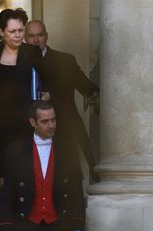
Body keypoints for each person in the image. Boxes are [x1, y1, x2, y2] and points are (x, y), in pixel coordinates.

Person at [0, 8, 45, 231]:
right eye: (13, 31)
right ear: (1, 33)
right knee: (0, 183)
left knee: (23, 180)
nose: (18, 35)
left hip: (24, 127)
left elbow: (48, 78)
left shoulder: (32, 52)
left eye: (21, 30)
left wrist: (47, 95)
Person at [0, 101, 85, 231]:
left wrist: (78, 228)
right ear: (32, 122)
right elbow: (8, 195)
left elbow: (76, 191)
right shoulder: (15, 151)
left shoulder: (68, 149)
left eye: (53, 120)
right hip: (26, 228)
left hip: (60, 227)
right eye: (45, 121)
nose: (51, 125)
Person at [24, 20, 99, 182]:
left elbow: (84, 85)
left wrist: (95, 93)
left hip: (64, 123)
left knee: (69, 175)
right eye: (31, 36)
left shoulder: (65, 60)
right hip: (29, 129)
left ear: (46, 37)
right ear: (25, 38)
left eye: (40, 35)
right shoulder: (18, 62)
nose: (36, 40)